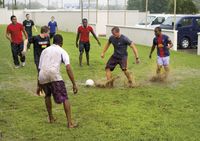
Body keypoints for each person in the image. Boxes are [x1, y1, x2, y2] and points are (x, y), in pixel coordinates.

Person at [38, 34, 78, 128]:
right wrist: (74, 84)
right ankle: (69, 123)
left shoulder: (44, 50)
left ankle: (51, 118)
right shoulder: (62, 51)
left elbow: (39, 68)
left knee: (47, 95)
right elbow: (68, 68)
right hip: (54, 75)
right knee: (65, 98)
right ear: (62, 43)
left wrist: (38, 84)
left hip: (42, 76)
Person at [28, 26, 51, 95]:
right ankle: (39, 88)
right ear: (44, 32)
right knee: (40, 73)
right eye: (48, 33)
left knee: (46, 73)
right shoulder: (36, 38)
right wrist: (24, 49)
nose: (48, 34)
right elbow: (26, 40)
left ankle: (44, 87)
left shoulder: (47, 38)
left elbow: (49, 48)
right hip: (38, 59)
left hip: (45, 59)